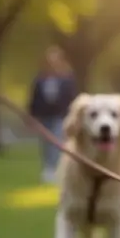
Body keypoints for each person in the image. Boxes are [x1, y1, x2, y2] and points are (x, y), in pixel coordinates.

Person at [28, 46, 78, 183]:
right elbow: (34, 99)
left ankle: (54, 168)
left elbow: (72, 98)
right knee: (45, 142)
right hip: (44, 116)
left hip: (60, 116)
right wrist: (32, 117)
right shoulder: (40, 79)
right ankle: (48, 167)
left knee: (56, 141)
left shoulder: (67, 79)